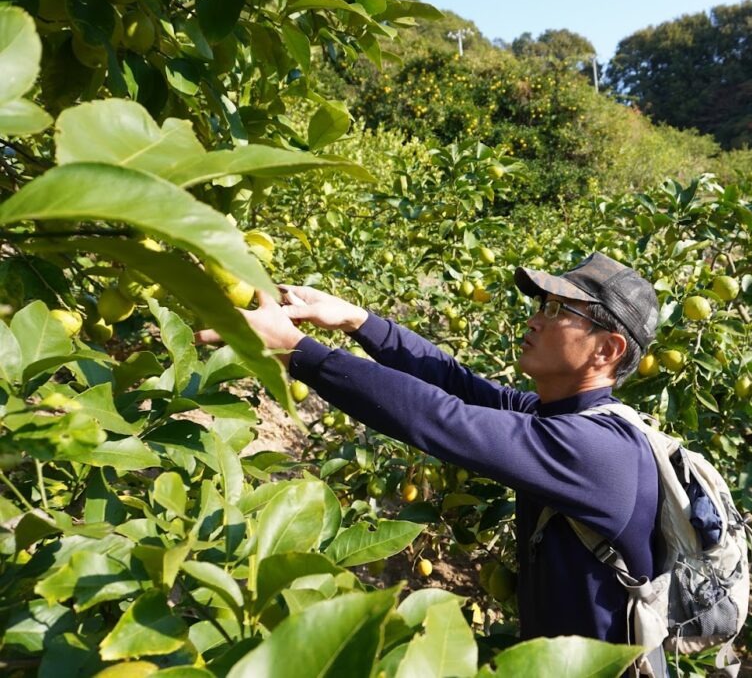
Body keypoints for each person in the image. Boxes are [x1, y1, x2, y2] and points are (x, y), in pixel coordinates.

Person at [196, 251, 663, 657]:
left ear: (607, 349)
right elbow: (457, 385)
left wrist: (298, 350)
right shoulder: (563, 418)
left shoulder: (597, 450)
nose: (536, 317)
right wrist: (358, 321)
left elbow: (442, 419)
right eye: (542, 302)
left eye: (559, 309)